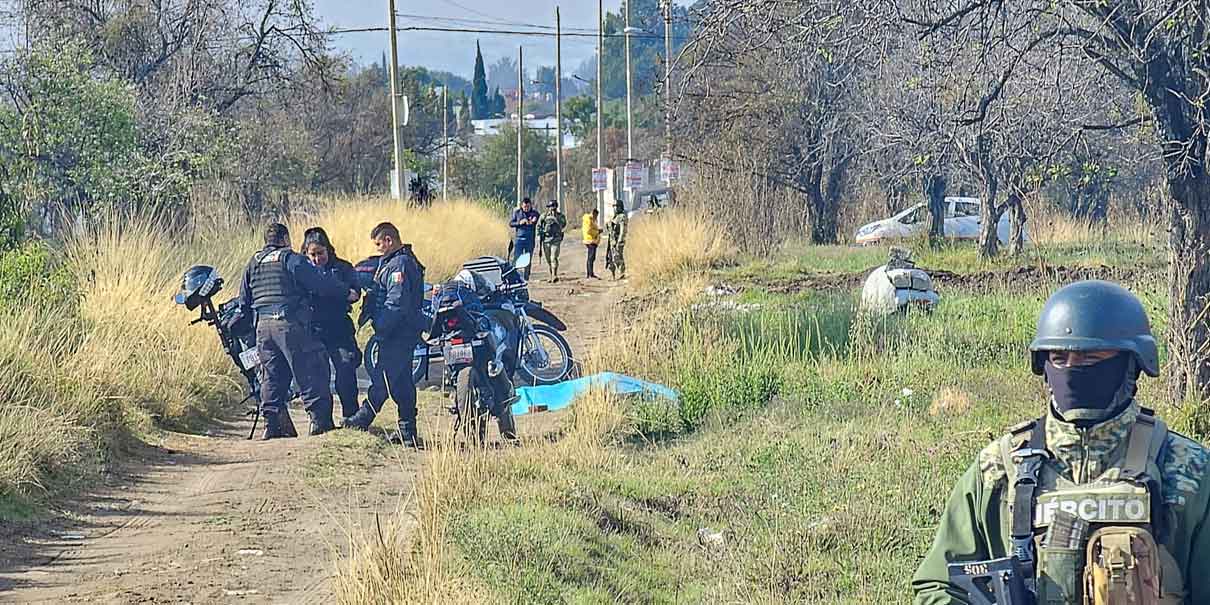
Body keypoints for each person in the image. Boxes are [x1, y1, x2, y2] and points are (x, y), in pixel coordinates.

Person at [912, 280, 1210, 604]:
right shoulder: (999, 469)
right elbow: (939, 587)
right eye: (1059, 357)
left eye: (1090, 358)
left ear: (1132, 364)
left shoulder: (1186, 470)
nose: (1071, 369)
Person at [238, 223, 351, 439]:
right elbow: (320, 283)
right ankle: (319, 422)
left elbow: (244, 300)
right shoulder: (290, 258)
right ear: (285, 239)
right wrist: (346, 292)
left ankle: (272, 426)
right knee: (311, 369)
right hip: (289, 324)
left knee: (271, 375)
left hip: (263, 327)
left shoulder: (254, 262)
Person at [343, 222, 428, 448]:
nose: (378, 249)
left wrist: (381, 326)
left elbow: (396, 302)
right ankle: (407, 432)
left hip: (397, 333)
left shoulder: (399, 264)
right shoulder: (398, 260)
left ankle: (363, 418)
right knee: (401, 383)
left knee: (383, 378)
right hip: (402, 332)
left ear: (389, 240)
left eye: (380, 244)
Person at [301, 227, 363, 422]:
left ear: (328, 250)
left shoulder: (343, 268)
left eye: (321, 253)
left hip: (339, 328)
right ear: (306, 253)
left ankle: (351, 416)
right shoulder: (302, 270)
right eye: (313, 254)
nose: (317, 258)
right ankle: (321, 421)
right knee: (317, 376)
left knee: (346, 368)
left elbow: (354, 294)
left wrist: (333, 287)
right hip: (313, 329)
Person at [536, 200, 567, 283]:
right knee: (548, 259)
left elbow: (564, 225)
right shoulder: (544, 216)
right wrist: (539, 236)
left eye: (554, 207)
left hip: (556, 240)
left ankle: (554, 275)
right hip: (546, 240)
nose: (552, 209)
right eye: (550, 207)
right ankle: (551, 275)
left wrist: (556, 220)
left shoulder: (560, 216)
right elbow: (538, 227)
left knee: (553, 257)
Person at [509, 197, 539, 279]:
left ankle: (526, 277)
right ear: (522, 206)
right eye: (525, 207)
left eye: (528, 207)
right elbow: (511, 223)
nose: (526, 208)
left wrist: (533, 221)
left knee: (527, 259)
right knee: (517, 258)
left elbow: (537, 220)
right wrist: (519, 222)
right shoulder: (517, 213)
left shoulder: (535, 213)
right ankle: (514, 276)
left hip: (530, 240)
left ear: (530, 206)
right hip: (519, 239)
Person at [605, 199, 628, 280]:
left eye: (617, 206)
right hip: (612, 240)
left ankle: (622, 273)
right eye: (614, 206)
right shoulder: (614, 217)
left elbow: (623, 230)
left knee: (617, 257)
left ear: (620, 207)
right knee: (610, 258)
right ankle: (613, 275)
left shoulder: (622, 216)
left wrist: (620, 241)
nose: (615, 208)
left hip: (617, 240)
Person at [582, 208, 601, 279]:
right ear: (593, 213)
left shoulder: (591, 219)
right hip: (590, 240)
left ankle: (590, 273)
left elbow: (592, 228)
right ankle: (590, 274)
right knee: (590, 257)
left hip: (592, 240)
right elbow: (588, 230)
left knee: (592, 258)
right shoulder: (589, 219)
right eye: (596, 215)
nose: (596, 217)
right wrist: (597, 232)